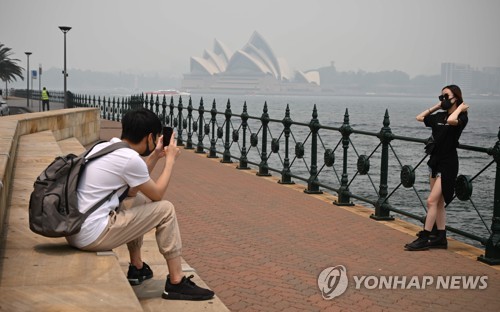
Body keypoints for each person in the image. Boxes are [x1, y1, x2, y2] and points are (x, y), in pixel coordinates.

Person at [66, 108, 215, 300]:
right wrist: (169, 161)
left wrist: (155, 156)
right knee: (166, 210)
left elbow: (132, 189)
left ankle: (137, 267)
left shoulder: (105, 147)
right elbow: (158, 195)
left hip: (75, 229)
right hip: (91, 235)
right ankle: (176, 282)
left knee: (136, 200)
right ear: (151, 137)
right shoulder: (130, 159)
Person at [405, 85, 469, 251]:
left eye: (446, 96)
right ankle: (441, 237)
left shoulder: (461, 117)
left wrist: (459, 107)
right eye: (441, 97)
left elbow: (452, 121)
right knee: (438, 203)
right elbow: (419, 117)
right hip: (434, 162)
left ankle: (425, 238)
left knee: (431, 201)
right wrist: (437, 106)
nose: (444, 100)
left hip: (448, 163)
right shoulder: (439, 116)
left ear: (456, 97)